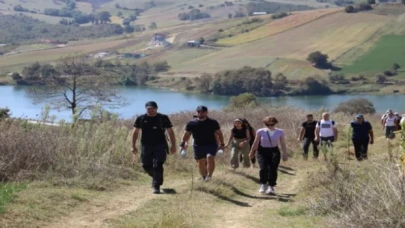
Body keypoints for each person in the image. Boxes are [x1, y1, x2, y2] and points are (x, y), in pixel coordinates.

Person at [132, 101, 177, 194]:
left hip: (160, 145)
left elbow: (170, 132)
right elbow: (135, 132)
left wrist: (173, 145)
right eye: (149, 109)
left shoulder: (163, 118)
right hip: (146, 145)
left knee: (158, 165)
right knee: (146, 165)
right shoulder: (141, 118)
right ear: (146, 109)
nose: (151, 111)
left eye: (153, 109)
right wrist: (133, 146)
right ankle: (156, 177)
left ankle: (156, 186)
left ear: (156, 108)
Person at [180, 106, 225, 181]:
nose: (201, 113)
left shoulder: (213, 122)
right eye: (199, 112)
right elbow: (186, 135)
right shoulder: (191, 123)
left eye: (203, 112)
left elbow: (219, 134)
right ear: (196, 112)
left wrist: (222, 144)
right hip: (198, 145)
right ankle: (204, 177)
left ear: (206, 112)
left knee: (210, 157)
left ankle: (209, 176)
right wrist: (183, 144)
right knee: (201, 161)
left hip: (211, 144)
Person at [249, 116, 288, 195]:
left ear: (275, 123)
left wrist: (285, 154)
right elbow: (256, 142)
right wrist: (251, 152)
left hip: (274, 151)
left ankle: (271, 186)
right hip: (262, 151)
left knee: (273, 169)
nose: (270, 126)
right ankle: (263, 184)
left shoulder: (280, 132)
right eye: (267, 124)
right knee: (263, 168)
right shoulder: (260, 131)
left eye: (272, 124)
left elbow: (283, 143)